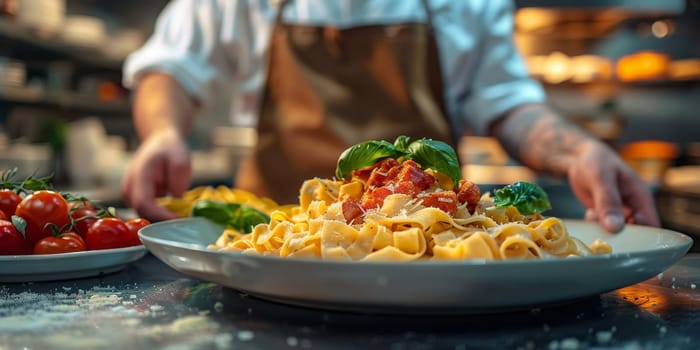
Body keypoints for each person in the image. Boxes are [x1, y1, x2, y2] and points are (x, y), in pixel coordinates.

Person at [120, 0, 660, 233]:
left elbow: (507, 102)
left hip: (435, 252)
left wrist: (577, 151)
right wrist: (164, 132)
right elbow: (169, 65)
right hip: (275, 243)